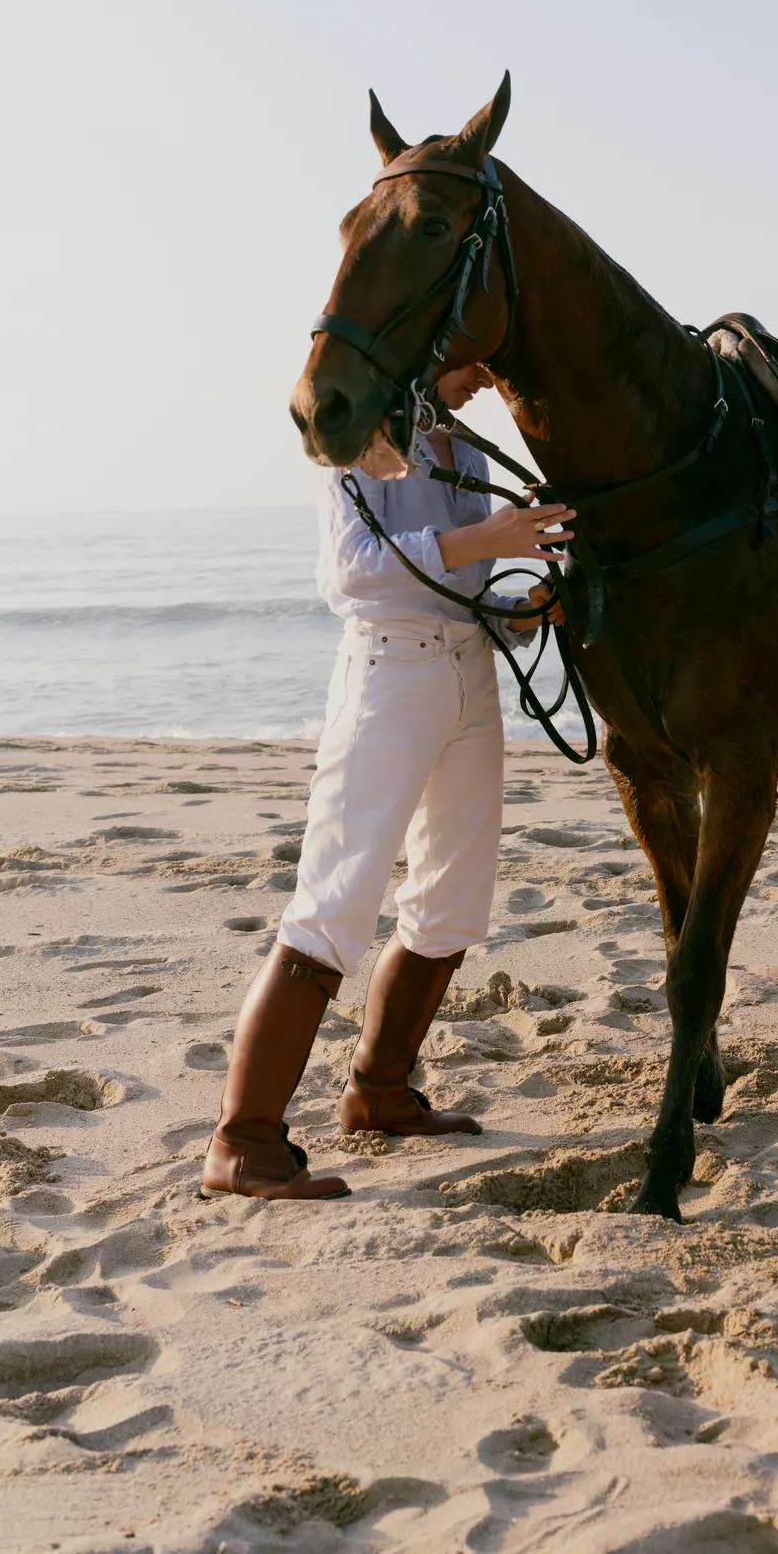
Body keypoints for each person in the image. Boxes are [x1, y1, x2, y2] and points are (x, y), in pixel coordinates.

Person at [201, 363, 574, 1200]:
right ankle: (242, 1141)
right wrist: (490, 540)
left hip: (467, 673)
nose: (484, 376)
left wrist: (519, 613)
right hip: (387, 674)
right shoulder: (352, 433)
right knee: (335, 903)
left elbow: (460, 587)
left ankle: (378, 1091)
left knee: (453, 901)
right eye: (471, 360)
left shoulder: (467, 455)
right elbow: (354, 573)